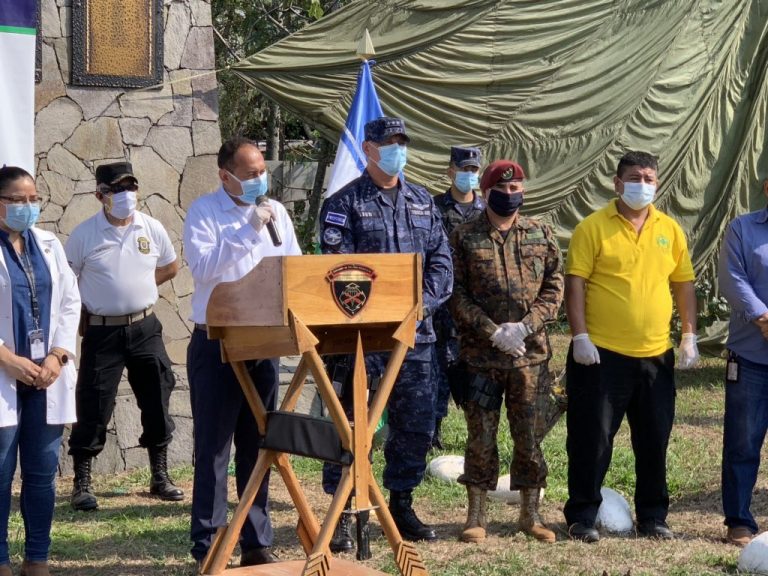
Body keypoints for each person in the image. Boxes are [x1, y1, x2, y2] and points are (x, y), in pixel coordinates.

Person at [319, 117, 453, 550]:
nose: (398, 150)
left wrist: (420, 306)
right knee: (350, 426)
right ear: (368, 148)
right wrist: (382, 312)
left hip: (416, 337)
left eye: (402, 143)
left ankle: (401, 504)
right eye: (389, 143)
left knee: (415, 425)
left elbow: (441, 262)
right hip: (362, 340)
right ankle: (342, 512)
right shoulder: (343, 203)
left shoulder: (422, 201)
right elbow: (339, 269)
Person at [562, 150, 699, 543]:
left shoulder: (670, 229)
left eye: (649, 178)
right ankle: (582, 515)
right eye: (635, 178)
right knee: (592, 439)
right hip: (601, 355)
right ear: (618, 183)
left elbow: (683, 284)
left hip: (656, 356)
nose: (643, 184)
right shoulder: (592, 227)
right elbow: (575, 284)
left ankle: (653, 516)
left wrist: (689, 335)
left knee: (654, 440)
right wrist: (580, 336)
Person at [183, 137, 302, 567]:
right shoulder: (204, 212)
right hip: (217, 341)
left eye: (262, 171)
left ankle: (255, 540)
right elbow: (203, 268)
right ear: (225, 175)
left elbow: (294, 267)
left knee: (258, 443)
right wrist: (249, 229)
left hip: (265, 341)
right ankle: (209, 544)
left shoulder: (278, 212)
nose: (259, 179)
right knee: (214, 447)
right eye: (251, 174)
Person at [449, 160, 563, 544]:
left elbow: (554, 286)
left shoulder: (540, 232)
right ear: (486, 193)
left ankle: (531, 515)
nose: (510, 194)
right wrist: (492, 331)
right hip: (481, 357)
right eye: (502, 189)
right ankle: (476, 516)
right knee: (480, 436)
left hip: (529, 355)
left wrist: (525, 326)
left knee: (529, 435)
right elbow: (455, 293)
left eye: (516, 189)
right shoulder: (464, 236)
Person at [66, 162, 183, 512]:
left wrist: (142, 287)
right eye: (117, 189)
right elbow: (67, 283)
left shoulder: (152, 227)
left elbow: (171, 265)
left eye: (130, 187)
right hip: (102, 331)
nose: (125, 195)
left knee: (157, 396)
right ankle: (82, 482)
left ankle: (159, 475)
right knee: (94, 402)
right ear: (99, 195)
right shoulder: (84, 235)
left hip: (145, 327)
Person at [0, 166, 80, 576]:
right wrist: (7, 360)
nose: (28, 207)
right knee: (0, 474)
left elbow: (70, 301)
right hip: (5, 375)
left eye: (33, 199)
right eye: (18, 200)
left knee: (42, 473)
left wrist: (57, 355)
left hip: (47, 376)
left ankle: (37, 558)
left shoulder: (49, 244)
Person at [718, 176, 768, 547]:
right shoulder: (742, 228)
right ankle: (739, 521)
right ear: (766, 187)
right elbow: (731, 278)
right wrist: (764, 319)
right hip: (750, 356)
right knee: (743, 443)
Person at [431, 146, 485, 449]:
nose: (469, 174)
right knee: (438, 371)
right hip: (441, 304)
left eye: (473, 170)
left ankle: (478, 434)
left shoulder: (487, 210)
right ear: (451, 171)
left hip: (476, 306)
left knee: (474, 372)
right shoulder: (433, 207)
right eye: (464, 169)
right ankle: (433, 433)